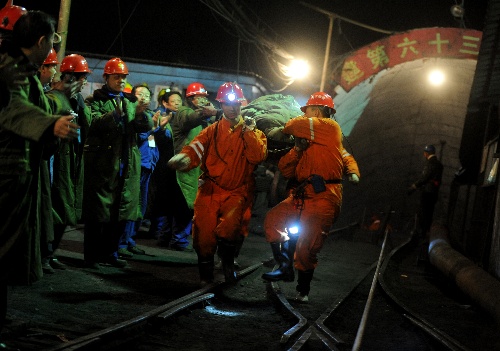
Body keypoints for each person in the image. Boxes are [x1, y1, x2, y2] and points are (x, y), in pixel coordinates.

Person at [0, 9, 78, 349]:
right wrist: (51, 124)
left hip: (18, 174)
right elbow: (13, 109)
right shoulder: (10, 68)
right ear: (42, 41)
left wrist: (56, 111)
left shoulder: (21, 68)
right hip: (6, 174)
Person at [261, 92, 360, 303]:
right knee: (273, 221)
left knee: (307, 247)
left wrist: (353, 172)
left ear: (316, 111)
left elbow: (292, 125)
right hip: (299, 194)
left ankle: (303, 290)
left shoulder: (330, 127)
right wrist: (297, 149)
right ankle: (285, 267)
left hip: (324, 196)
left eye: (307, 111)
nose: (305, 115)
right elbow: (286, 170)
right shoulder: (311, 141)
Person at [168, 82, 267, 285]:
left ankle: (228, 264)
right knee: (203, 234)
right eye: (228, 104)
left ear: (240, 104)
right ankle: (206, 276)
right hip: (211, 189)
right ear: (221, 104)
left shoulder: (252, 131)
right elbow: (195, 147)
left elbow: (257, 156)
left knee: (230, 230)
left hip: (237, 191)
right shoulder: (211, 131)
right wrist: (185, 159)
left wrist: (248, 132)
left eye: (236, 104)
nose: (233, 108)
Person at [83, 57, 152, 268]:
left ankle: (111, 253)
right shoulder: (94, 101)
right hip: (104, 163)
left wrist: (141, 115)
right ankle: (93, 256)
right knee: (98, 214)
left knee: (120, 213)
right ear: (106, 78)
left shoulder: (131, 101)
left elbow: (145, 126)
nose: (121, 80)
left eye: (123, 77)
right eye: (116, 77)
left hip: (126, 162)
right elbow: (92, 122)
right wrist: (114, 115)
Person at [45, 54, 92, 272]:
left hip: (73, 158)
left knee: (65, 209)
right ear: (71, 77)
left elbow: (87, 124)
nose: (84, 82)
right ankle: (44, 254)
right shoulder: (54, 98)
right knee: (55, 207)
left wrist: (79, 102)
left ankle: (51, 253)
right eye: (82, 77)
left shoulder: (75, 99)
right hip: (57, 159)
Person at [165, 82, 220, 250]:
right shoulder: (183, 112)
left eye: (204, 98)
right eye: (199, 98)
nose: (202, 101)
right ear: (190, 99)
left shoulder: (204, 118)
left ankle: (171, 237)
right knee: (183, 205)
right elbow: (191, 119)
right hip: (183, 167)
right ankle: (178, 240)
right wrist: (206, 113)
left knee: (184, 205)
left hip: (195, 167)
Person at [117, 83, 158, 258]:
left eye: (147, 95)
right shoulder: (133, 115)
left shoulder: (150, 116)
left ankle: (131, 240)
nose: (144, 98)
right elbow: (140, 135)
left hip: (147, 166)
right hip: (135, 166)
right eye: (140, 94)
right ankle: (121, 243)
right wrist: (153, 128)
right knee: (129, 205)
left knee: (141, 206)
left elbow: (153, 141)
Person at [149, 91, 193, 250]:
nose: (177, 103)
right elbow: (157, 141)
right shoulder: (161, 119)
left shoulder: (182, 119)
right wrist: (159, 129)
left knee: (173, 204)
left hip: (175, 166)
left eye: (179, 101)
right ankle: (175, 239)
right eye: (173, 101)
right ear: (165, 103)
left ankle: (166, 236)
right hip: (166, 167)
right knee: (176, 204)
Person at [408, 144, 443, 239]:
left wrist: (414, 186)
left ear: (426, 153)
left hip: (427, 191)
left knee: (423, 212)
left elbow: (425, 177)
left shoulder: (430, 163)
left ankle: (421, 234)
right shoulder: (439, 165)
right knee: (429, 213)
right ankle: (426, 233)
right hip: (434, 192)